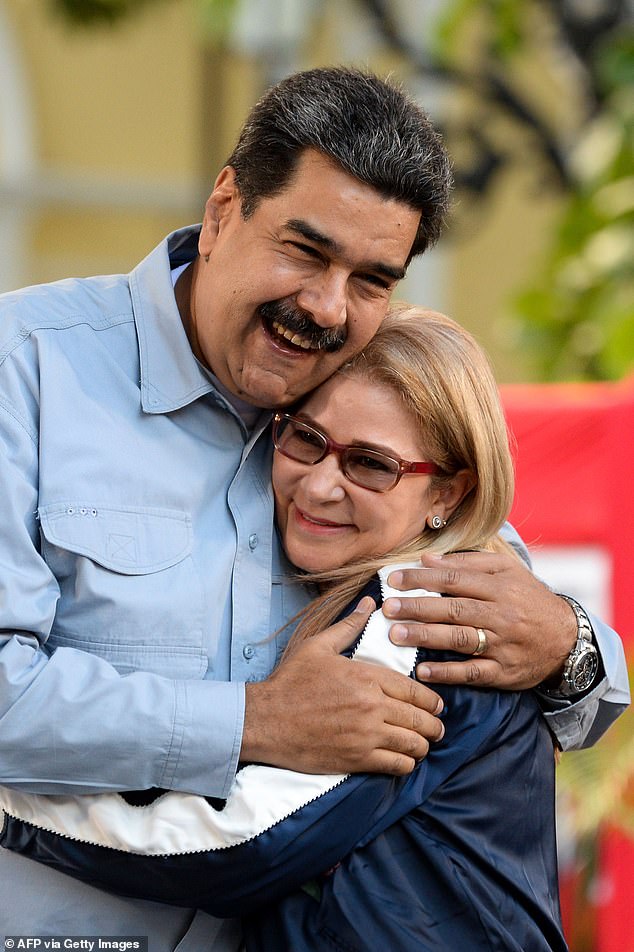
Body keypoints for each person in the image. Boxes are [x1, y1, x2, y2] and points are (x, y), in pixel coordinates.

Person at [0, 67, 627, 949]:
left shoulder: (360, 391)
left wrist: (568, 643)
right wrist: (257, 721)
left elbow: (569, 684)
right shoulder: (23, 370)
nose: (326, 306)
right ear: (224, 208)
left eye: (373, 278)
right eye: (307, 249)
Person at [1, 306, 567, 951]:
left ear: (447, 495)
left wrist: (16, 810)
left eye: (372, 465)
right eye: (306, 439)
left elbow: (237, 846)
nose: (320, 486)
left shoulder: (420, 613)